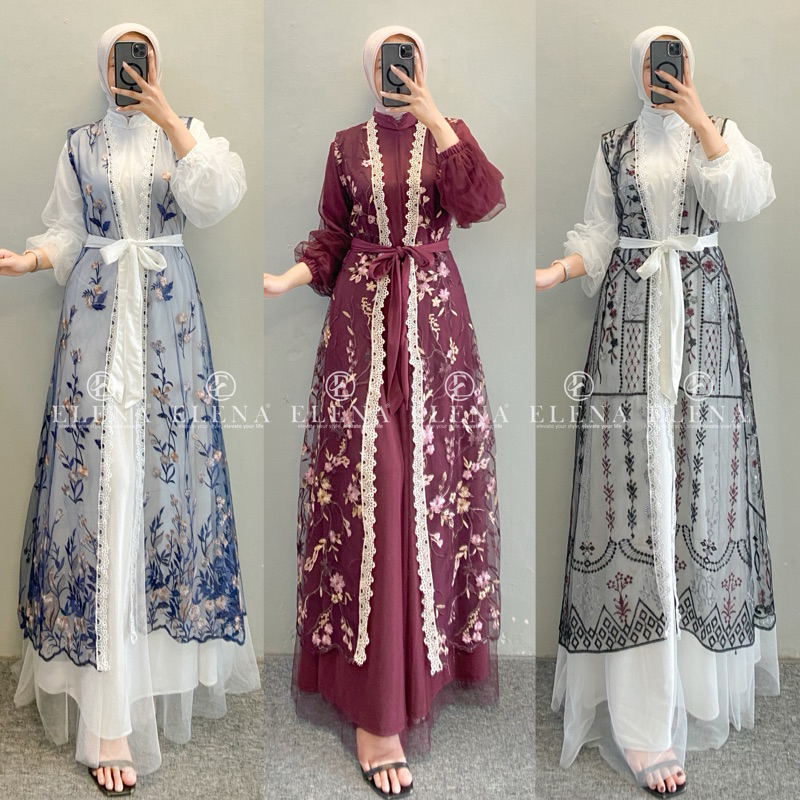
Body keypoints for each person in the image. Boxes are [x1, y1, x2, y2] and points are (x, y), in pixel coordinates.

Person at [1, 22, 261, 796]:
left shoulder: (185, 135)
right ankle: (107, 710)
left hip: (169, 329)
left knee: (161, 486)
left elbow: (215, 199)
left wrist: (168, 116)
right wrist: (34, 257)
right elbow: (68, 228)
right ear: (104, 67)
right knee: (102, 486)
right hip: (93, 323)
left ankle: (148, 673)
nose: (130, 71)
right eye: (122, 61)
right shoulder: (79, 144)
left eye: (142, 60)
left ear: (155, 66)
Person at [536, 25, 779, 799]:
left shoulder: (720, 133)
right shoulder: (614, 145)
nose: (659, 72)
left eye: (670, 61)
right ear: (636, 70)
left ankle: (696, 689)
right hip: (630, 331)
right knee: (635, 507)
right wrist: (558, 269)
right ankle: (642, 719)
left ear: (687, 67)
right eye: (649, 62)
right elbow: (599, 233)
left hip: (703, 328)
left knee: (700, 497)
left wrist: (701, 119)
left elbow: (743, 196)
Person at [264, 25, 504, 798]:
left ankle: (421, 679)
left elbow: (481, 201)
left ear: (422, 65)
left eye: (409, 58)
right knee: (372, 494)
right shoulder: (344, 146)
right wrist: (292, 274)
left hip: (434, 332)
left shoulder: (448, 133)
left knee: (431, 491)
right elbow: (335, 234)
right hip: (360, 329)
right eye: (387, 61)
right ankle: (375, 710)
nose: (397, 71)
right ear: (369, 70)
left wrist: (434, 115)